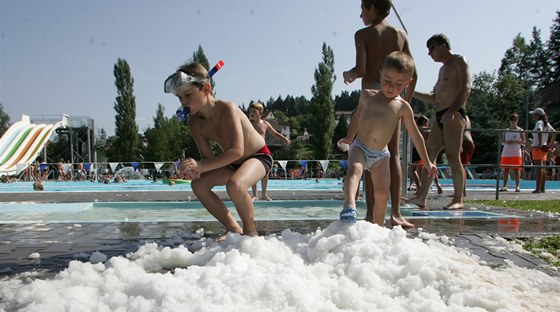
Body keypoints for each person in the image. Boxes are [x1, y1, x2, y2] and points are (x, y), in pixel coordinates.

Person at [166, 62, 272, 237]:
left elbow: (237, 150)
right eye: (179, 97)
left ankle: (250, 232)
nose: (183, 102)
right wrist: (195, 170)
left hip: (258, 156)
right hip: (232, 162)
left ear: (206, 89)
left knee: (235, 185)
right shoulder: (195, 123)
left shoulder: (228, 109)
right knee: (199, 185)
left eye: (188, 95)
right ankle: (233, 230)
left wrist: (201, 166)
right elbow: (207, 159)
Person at [338, 52, 437, 225]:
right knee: (354, 170)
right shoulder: (367, 96)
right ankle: (349, 206)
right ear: (380, 73)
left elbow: (416, 135)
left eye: (399, 84)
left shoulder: (402, 107)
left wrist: (427, 162)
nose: (391, 87)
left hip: (381, 155)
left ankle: (379, 228)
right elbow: (356, 117)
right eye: (387, 81)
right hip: (360, 146)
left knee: (382, 194)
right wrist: (349, 136)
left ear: (408, 83)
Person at [342, 0, 417, 228]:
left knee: (366, 152)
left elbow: (361, 69)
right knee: (391, 156)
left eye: (363, 9)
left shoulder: (363, 34)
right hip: (397, 97)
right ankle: (395, 212)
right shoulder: (400, 34)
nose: (361, 15)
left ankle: (370, 214)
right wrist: (404, 104)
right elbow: (415, 70)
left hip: (374, 94)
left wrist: (348, 74)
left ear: (372, 8)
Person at [406, 34, 471, 210]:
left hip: (454, 113)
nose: (429, 54)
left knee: (452, 156)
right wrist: (410, 91)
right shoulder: (442, 69)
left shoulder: (459, 61)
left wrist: (451, 112)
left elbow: (465, 88)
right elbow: (434, 98)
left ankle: (458, 199)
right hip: (440, 114)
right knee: (428, 156)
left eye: (431, 48)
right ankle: (421, 197)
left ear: (442, 46)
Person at [247, 101, 291, 201]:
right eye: (250, 111)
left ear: (260, 113)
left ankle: (264, 194)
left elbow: (275, 133)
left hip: (263, 148)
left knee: (265, 173)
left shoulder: (265, 124)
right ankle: (255, 195)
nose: (251, 113)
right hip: (252, 149)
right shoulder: (248, 123)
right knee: (253, 172)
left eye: (254, 111)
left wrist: (285, 139)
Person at [408, 115, 443, 195]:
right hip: (427, 149)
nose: (428, 124)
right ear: (424, 122)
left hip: (417, 149)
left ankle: (419, 187)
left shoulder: (416, 129)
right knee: (431, 167)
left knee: (413, 169)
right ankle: (438, 184)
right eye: (427, 122)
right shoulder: (428, 130)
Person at [530, 108, 556, 194]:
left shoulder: (539, 123)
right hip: (544, 147)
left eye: (534, 114)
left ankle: (538, 189)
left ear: (538, 115)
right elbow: (554, 132)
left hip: (538, 147)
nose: (533, 116)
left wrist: (540, 144)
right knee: (543, 168)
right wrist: (550, 144)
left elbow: (539, 131)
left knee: (539, 168)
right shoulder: (546, 123)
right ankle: (542, 188)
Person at [499, 113, 525, 192]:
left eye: (515, 120)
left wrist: (517, 141)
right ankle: (504, 186)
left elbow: (524, 141)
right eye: (512, 120)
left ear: (517, 120)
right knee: (505, 170)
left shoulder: (520, 130)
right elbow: (502, 141)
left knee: (516, 169)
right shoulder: (506, 130)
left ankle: (517, 186)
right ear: (509, 121)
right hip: (507, 152)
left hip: (516, 152)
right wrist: (507, 141)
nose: (513, 121)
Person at [459, 115, 475, 196]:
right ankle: (462, 190)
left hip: (465, 143)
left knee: (460, 168)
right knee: (462, 167)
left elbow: (460, 131)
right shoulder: (466, 116)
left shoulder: (460, 116)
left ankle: (462, 191)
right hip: (468, 143)